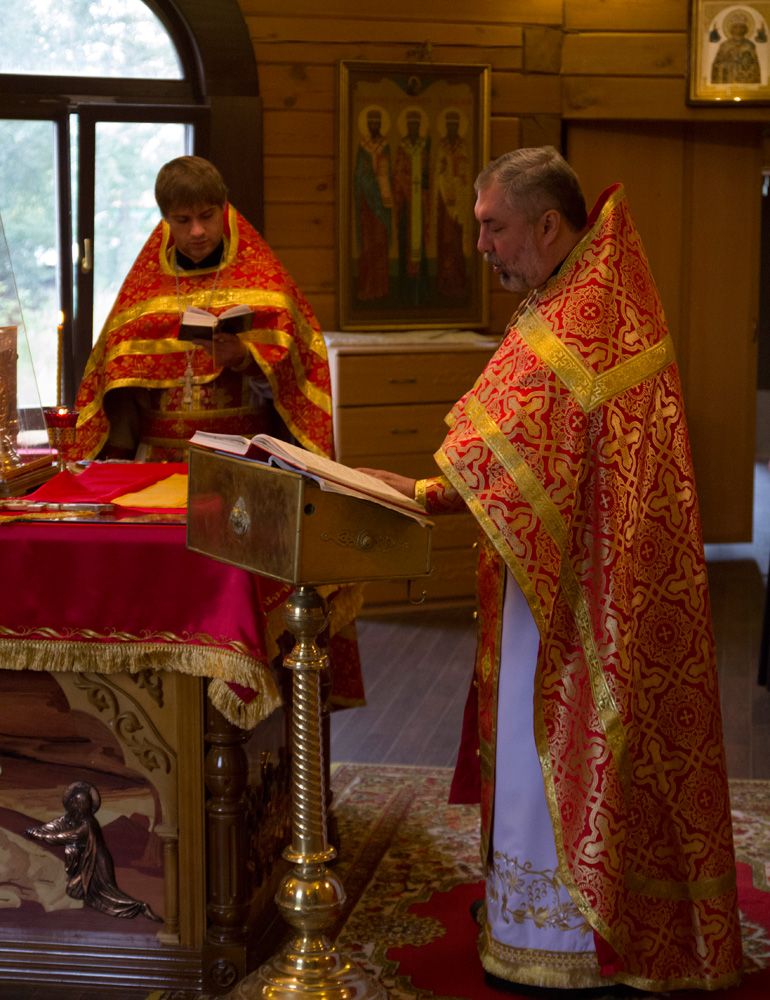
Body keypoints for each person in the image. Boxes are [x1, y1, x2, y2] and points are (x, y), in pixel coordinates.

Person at [362, 146, 743, 994]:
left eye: (493, 227)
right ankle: (531, 913)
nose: (482, 246)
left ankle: (562, 934)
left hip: (581, 590)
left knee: (560, 744)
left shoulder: (581, 315)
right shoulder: (573, 294)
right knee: (538, 742)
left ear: (545, 223)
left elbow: (524, 449)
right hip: (557, 569)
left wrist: (422, 492)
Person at [73, 155, 333, 463]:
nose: (197, 230)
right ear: (165, 219)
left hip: (244, 461)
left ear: (224, 208)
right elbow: (117, 401)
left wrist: (245, 359)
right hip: (156, 461)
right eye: (183, 220)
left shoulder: (268, 285)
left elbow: (298, 386)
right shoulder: (142, 295)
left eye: (207, 216)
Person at [26, 781, 161, 921]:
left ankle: (140, 906)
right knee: (76, 891)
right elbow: (55, 825)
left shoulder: (88, 822)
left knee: (107, 893)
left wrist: (42, 836)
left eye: (77, 802)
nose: (73, 804)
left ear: (83, 805)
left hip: (97, 863)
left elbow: (70, 836)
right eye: (73, 801)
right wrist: (38, 831)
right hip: (85, 863)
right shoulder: (71, 818)